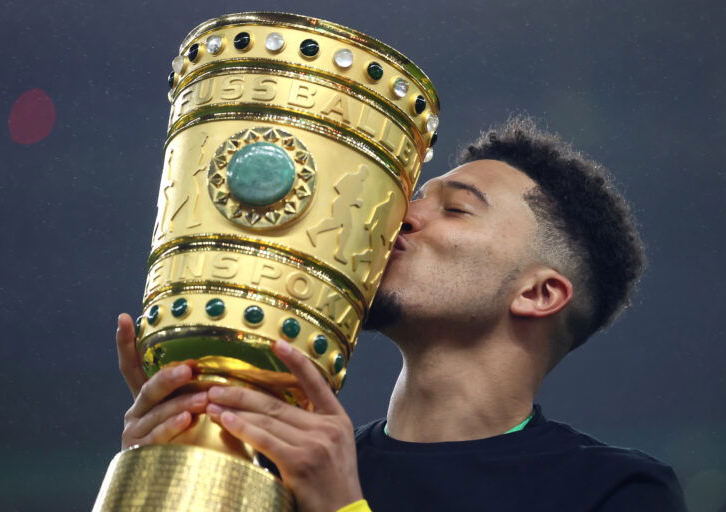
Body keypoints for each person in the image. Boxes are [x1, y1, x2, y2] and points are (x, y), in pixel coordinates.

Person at [115, 116, 687, 511]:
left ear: (538, 294)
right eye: (413, 198)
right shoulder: (281, 466)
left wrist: (342, 506)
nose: (402, 218)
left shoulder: (614, 491)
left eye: (457, 210)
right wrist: (168, 468)